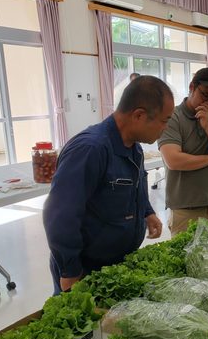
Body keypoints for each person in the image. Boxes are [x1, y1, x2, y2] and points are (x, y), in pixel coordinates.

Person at [44, 76, 174, 294]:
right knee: (85, 326)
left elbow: (134, 186)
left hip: (116, 264)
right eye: (164, 120)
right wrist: (70, 272)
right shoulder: (90, 149)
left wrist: (147, 212)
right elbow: (59, 216)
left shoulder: (134, 148)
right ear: (139, 115)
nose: (166, 128)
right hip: (85, 270)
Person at [158, 67, 208, 234]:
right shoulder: (172, 117)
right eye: (205, 95)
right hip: (185, 210)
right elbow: (174, 160)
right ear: (192, 87)